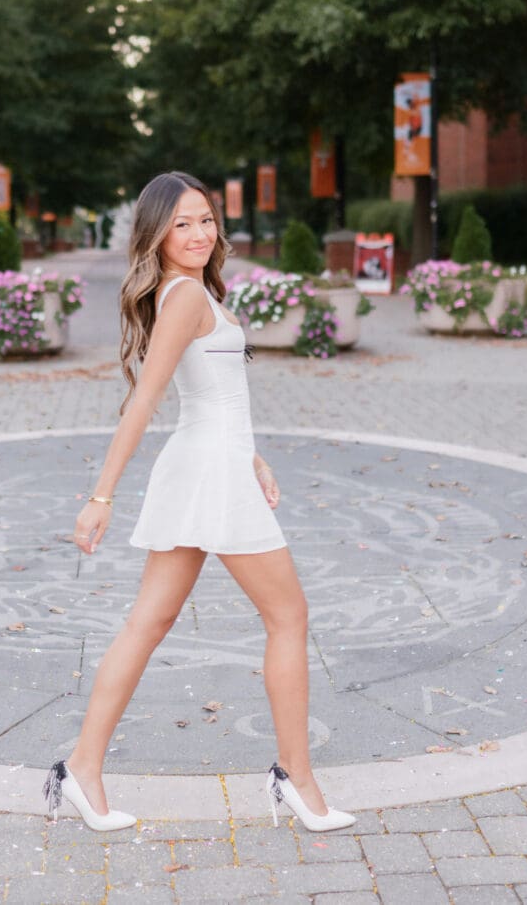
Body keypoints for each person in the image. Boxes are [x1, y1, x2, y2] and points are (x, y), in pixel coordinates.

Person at [44, 171, 354, 834]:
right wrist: (101, 495)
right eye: (181, 223)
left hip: (211, 465)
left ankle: (81, 768)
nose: (198, 233)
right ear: (156, 233)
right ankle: (296, 780)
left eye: (206, 219)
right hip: (208, 473)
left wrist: (253, 457)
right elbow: (146, 400)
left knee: (147, 624)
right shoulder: (184, 295)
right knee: (288, 617)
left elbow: (215, 396)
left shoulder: (193, 290)